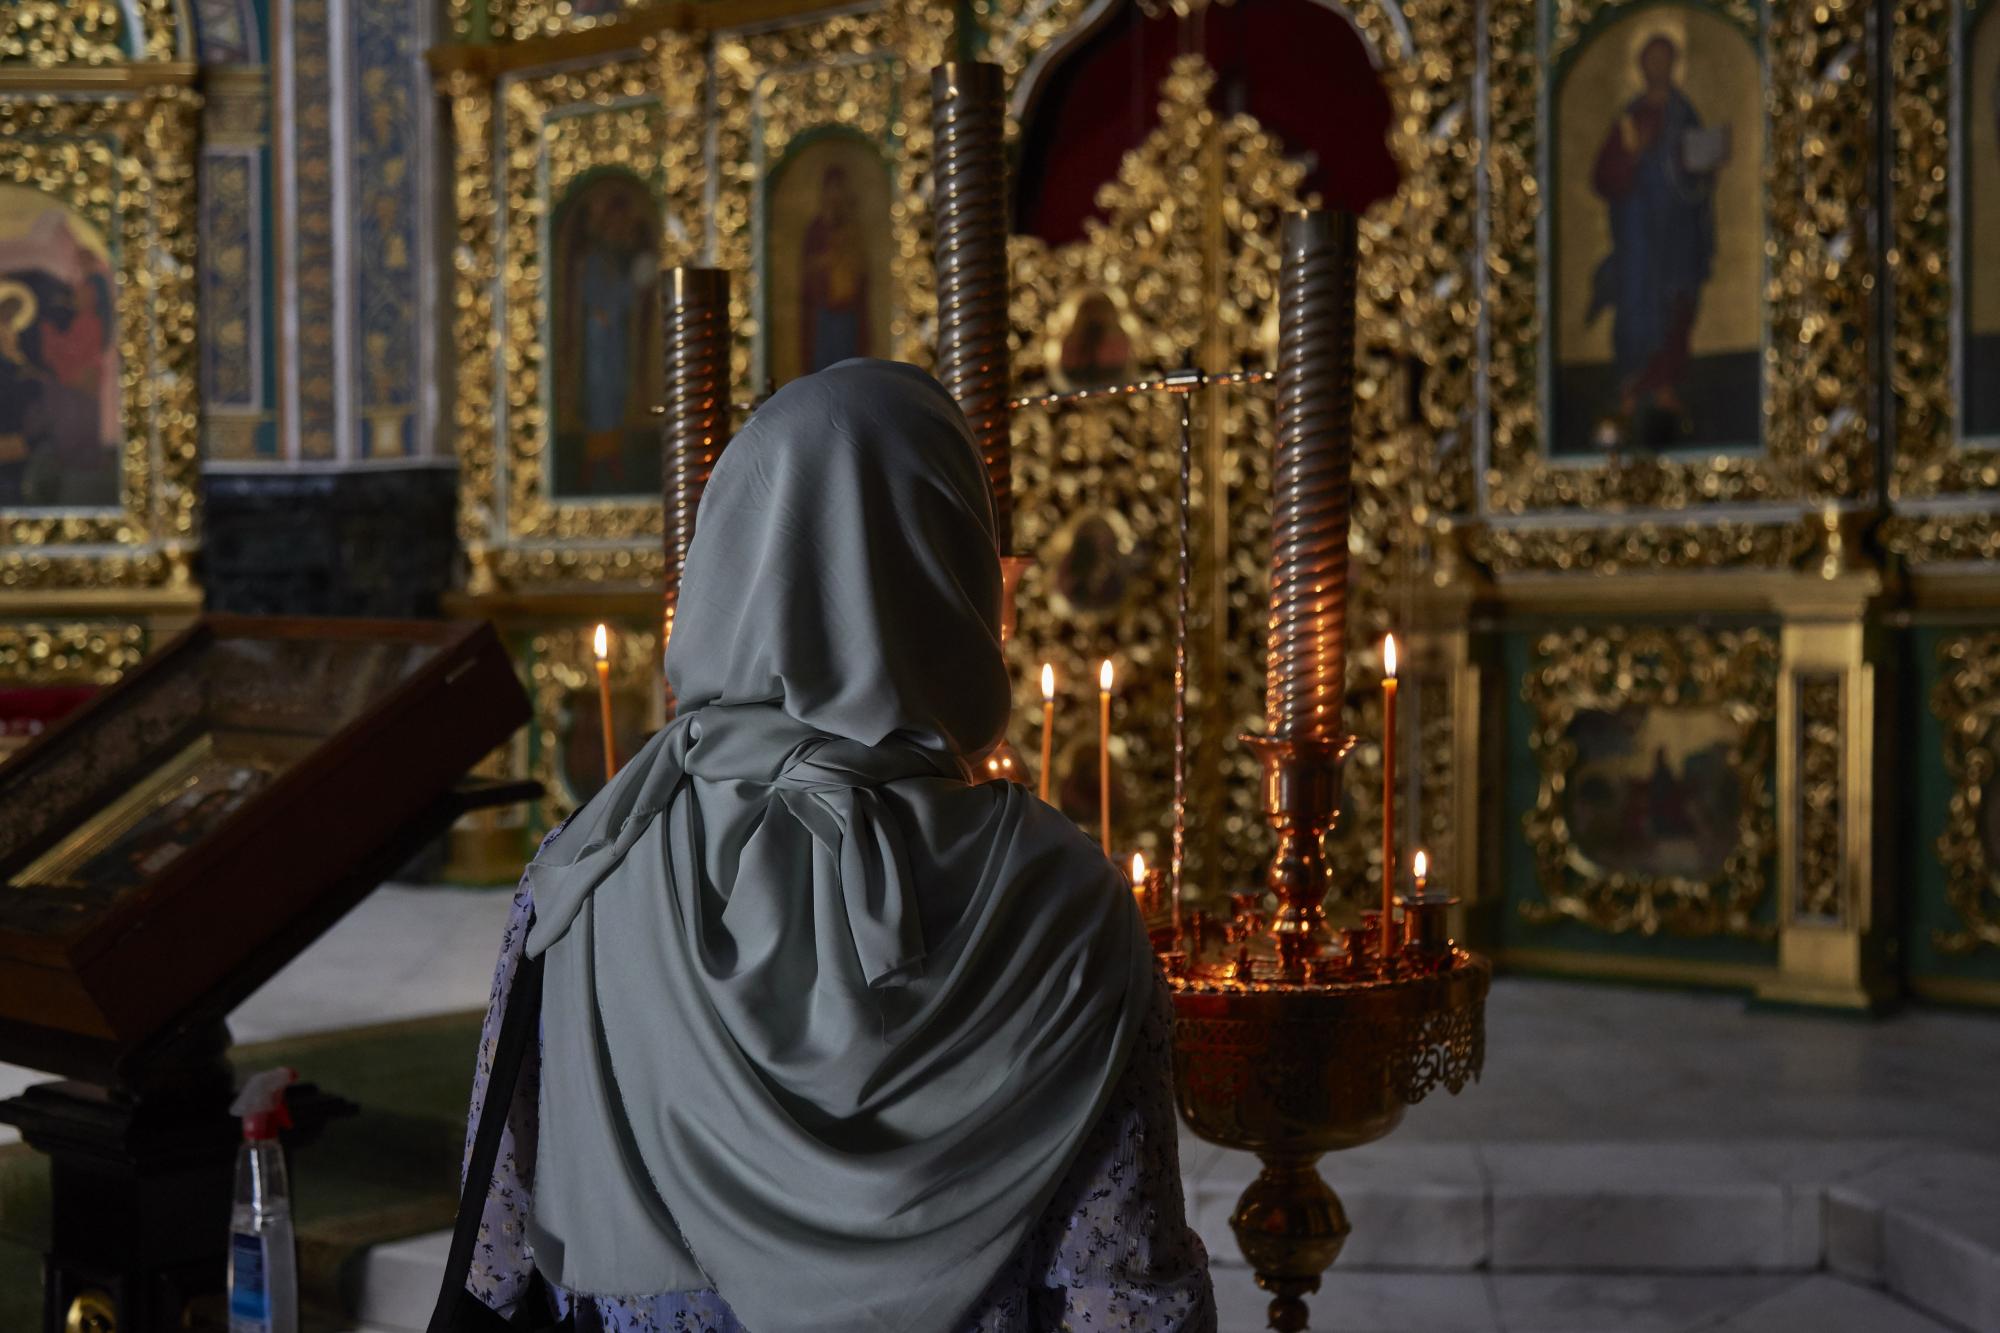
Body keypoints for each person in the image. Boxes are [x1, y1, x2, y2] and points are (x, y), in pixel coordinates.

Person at [459, 358, 1215, 1332]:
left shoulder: (586, 873)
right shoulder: (1064, 904)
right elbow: (1122, 1290)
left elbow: (498, 1246)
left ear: (731, 558)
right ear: (955, 572)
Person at [1587, 33, 1730, 445]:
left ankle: (1665, 386)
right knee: (1638, 305)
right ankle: (1632, 387)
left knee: (1678, 303)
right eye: (1651, 60)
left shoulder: (1685, 114)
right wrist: (1632, 154)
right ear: (1642, 67)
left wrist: (1706, 168)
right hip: (1640, 235)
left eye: (1665, 59)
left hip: (1680, 232)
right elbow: (1603, 177)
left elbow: (1695, 171)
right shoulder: (1630, 117)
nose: (1658, 67)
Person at [799, 164, 871, 373]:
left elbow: (862, 272)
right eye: (831, 188)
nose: (835, 194)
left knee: (848, 367)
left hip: (848, 312)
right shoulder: (816, 229)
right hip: (823, 313)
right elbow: (808, 272)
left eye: (840, 188)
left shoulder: (853, 228)